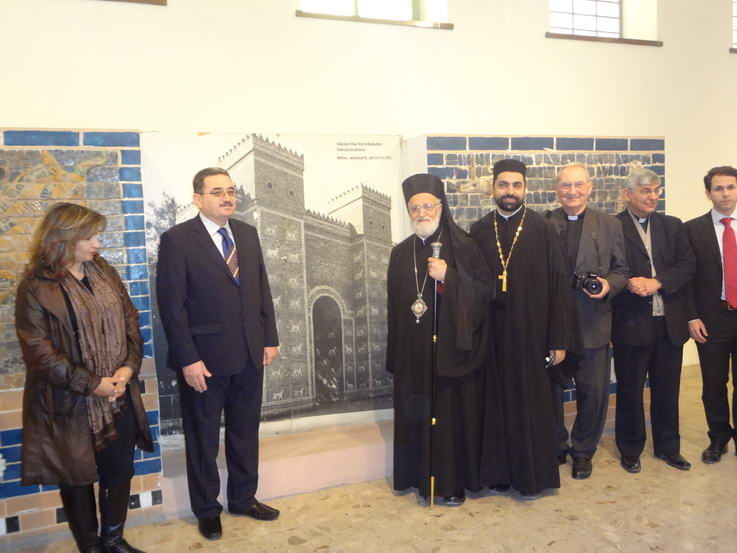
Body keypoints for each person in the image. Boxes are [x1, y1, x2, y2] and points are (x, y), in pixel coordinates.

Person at [15, 203, 153, 553]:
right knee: (76, 479)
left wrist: (127, 368)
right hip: (68, 402)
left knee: (119, 470)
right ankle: (90, 547)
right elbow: (39, 353)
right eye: (89, 237)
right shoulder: (35, 287)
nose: (97, 244)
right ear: (63, 239)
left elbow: (130, 320)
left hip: (118, 393)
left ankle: (113, 540)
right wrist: (93, 384)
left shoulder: (103, 271)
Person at [156, 167, 279, 540]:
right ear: (198, 199)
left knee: (245, 433)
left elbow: (261, 288)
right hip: (203, 362)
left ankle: (243, 498)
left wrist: (269, 338)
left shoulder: (247, 233)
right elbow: (172, 306)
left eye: (231, 191)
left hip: (249, 355)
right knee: (203, 440)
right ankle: (207, 510)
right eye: (217, 192)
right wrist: (188, 359)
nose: (227, 197)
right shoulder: (177, 240)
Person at [470, 159, 578, 497]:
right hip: (492, 336)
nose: (510, 192)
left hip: (533, 335)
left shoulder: (543, 228)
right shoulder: (478, 230)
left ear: (525, 188)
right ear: (493, 188)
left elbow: (560, 285)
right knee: (495, 403)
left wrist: (559, 339)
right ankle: (498, 473)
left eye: (516, 185)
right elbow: (470, 286)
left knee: (533, 406)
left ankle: (533, 477)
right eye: (503, 185)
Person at [386, 173, 493, 506]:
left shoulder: (464, 245)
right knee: (415, 414)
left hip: (450, 353)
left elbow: (485, 293)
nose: (421, 213)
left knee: (449, 419)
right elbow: (394, 308)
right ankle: (416, 478)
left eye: (428, 206)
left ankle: (451, 482)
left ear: (441, 207)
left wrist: (449, 277)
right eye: (414, 208)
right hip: (413, 354)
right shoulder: (400, 253)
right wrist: (397, 355)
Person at [611, 164, 695, 473]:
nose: (652, 196)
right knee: (630, 390)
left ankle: (668, 447)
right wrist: (631, 283)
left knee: (668, 390)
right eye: (645, 191)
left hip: (669, 324)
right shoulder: (613, 227)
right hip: (631, 322)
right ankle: (630, 449)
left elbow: (687, 265)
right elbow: (609, 268)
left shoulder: (673, 226)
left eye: (656, 191)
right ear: (627, 194)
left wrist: (657, 282)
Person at [548, 162, 628, 480]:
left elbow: (621, 270)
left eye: (578, 185)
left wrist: (608, 285)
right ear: (557, 189)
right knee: (551, 389)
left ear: (589, 187)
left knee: (593, 392)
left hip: (593, 321)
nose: (572, 191)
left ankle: (583, 451)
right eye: (566, 185)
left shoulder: (610, 225)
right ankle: (555, 443)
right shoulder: (543, 223)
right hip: (553, 324)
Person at [685, 165, 737, 463]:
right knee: (714, 384)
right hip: (712, 318)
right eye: (718, 188)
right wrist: (692, 317)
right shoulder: (693, 230)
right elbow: (687, 279)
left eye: (730, 187)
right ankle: (718, 438)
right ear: (708, 193)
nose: (725, 193)